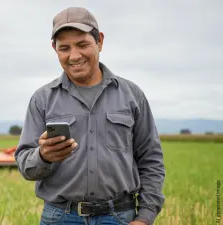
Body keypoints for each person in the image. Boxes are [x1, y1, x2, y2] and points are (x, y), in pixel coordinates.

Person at [14, 7, 165, 225]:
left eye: (82, 45)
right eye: (64, 48)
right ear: (54, 49)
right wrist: (43, 155)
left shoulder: (132, 96)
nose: (74, 56)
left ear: (100, 41)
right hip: (60, 218)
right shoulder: (42, 99)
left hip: (119, 217)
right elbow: (24, 164)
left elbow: (151, 160)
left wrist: (145, 217)